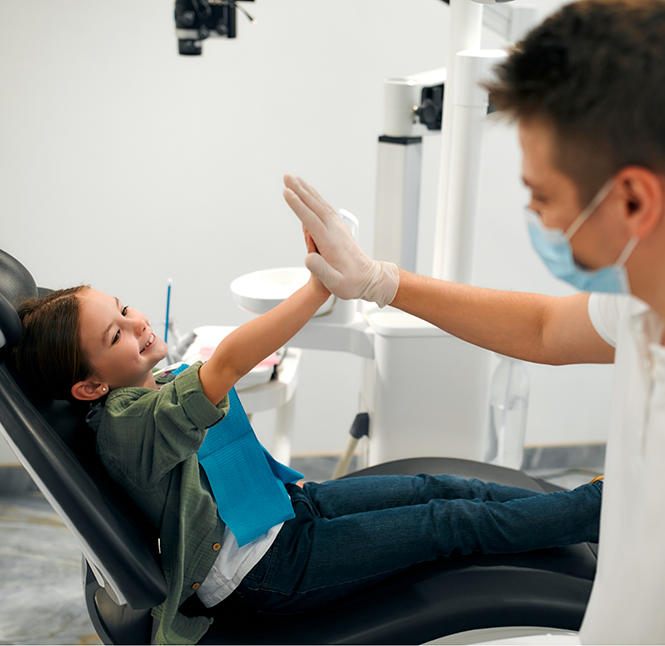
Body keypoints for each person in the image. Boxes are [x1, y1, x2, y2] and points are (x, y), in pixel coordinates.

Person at [10, 210, 602, 645]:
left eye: (122, 308)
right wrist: (320, 286)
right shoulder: (128, 424)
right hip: (266, 573)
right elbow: (227, 365)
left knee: (435, 486)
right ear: (89, 388)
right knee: (445, 522)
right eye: (115, 335)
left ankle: (575, 513)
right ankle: (599, 509)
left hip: (283, 514)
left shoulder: (143, 392)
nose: (134, 323)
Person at [282, 1, 665, 643]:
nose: (535, 217)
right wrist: (379, 280)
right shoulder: (639, 301)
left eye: (541, 195)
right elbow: (544, 328)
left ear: (632, 200)